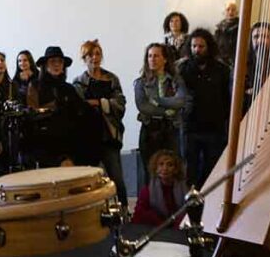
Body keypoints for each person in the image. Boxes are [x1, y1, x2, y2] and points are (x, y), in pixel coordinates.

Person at [73, 40, 128, 208]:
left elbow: (120, 105)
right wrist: (103, 104)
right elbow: (79, 108)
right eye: (90, 55)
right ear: (84, 58)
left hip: (109, 134)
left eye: (97, 54)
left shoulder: (111, 79)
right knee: (89, 179)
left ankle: (124, 210)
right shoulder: (79, 82)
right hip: (88, 136)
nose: (94, 58)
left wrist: (99, 102)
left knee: (116, 177)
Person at [176, 29, 230, 189]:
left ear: (208, 47)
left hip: (214, 127)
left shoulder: (221, 69)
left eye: (201, 46)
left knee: (212, 168)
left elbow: (226, 97)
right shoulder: (183, 69)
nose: (197, 50)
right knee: (190, 170)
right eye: (194, 46)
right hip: (190, 127)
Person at [28, 45, 95, 168]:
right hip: (46, 145)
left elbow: (81, 111)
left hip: (69, 145)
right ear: (45, 65)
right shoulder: (35, 86)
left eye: (60, 62)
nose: (57, 65)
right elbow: (32, 112)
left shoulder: (68, 88)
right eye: (53, 61)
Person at [134, 43, 188, 183]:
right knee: (150, 171)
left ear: (164, 59)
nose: (152, 59)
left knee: (173, 170)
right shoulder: (141, 83)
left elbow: (180, 101)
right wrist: (167, 110)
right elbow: (144, 106)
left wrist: (157, 101)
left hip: (170, 128)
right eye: (149, 56)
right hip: (150, 130)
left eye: (156, 56)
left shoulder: (176, 80)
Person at [131, 150, 188, 226]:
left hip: (179, 229)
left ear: (176, 169)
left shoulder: (185, 190)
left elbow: (189, 212)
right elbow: (139, 214)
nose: (165, 168)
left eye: (170, 165)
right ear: (156, 168)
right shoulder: (147, 191)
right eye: (161, 164)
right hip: (156, 229)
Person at [243, 22, 270, 113]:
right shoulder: (241, 65)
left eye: (265, 37)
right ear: (250, 41)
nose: (260, 41)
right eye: (256, 37)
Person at [214, 1, 240, 69]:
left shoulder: (241, 27)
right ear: (224, 12)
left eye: (233, 10)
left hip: (236, 62)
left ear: (237, 12)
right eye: (228, 9)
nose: (230, 12)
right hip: (221, 63)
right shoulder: (218, 29)